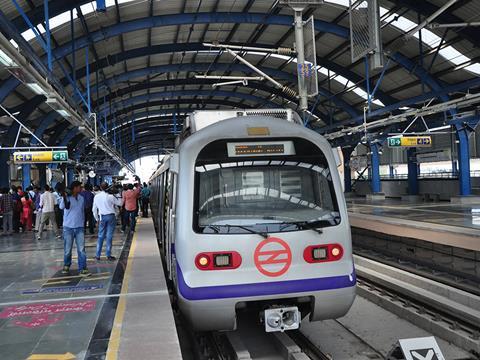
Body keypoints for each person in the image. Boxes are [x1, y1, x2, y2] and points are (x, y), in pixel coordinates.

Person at [59, 181, 90, 276]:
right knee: (68, 249)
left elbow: (82, 211)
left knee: (81, 249)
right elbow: (61, 207)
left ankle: (83, 268)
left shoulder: (81, 198)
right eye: (79, 187)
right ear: (74, 188)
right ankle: (66, 265)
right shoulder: (67, 197)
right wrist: (64, 196)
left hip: (80, 226)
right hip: (68, 227)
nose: (81, 188)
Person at [92, 182, 123, 261]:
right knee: (109, 236)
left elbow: (94, 209)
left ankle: (97, 255)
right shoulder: (110, 196)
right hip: (111, 217)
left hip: (102, 217)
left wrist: (97, 219)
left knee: (100, 236)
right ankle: (108, 255)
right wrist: (118, 194)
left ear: (100, 188)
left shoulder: (96, 196)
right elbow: (120, 203)